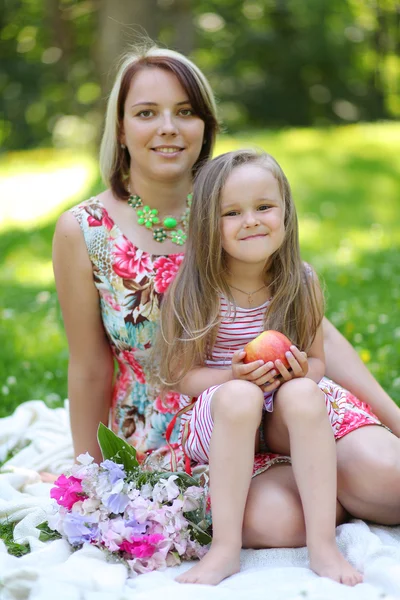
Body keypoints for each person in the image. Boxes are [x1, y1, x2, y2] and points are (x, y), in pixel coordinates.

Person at [52, 43, 400, 571]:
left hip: (291, 406)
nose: (168, 127)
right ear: (120, 128)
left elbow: (310, 326)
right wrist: (90, 474)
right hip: (191, 426)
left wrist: (392, 417)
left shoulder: (238, 200)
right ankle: (319, 499)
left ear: (206, 125)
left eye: (185, 111)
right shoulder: (85, 230)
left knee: (391, 482)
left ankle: (338, 487)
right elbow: (89, 365)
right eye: (146, 112)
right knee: (282, 525)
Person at [156, 148, 398, 586]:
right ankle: (225, 549)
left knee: (304, 391)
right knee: (243, 395)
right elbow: (182, 377)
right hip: (225, 413)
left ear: (286, 213)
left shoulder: (299, 282)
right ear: (209, 225)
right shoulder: (193, 292)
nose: (251, 220)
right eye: (232, 212)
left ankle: (323, 545)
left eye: (264, 207)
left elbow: (319, 361)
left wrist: (299, 371)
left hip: (288, 410)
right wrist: (234, 375)